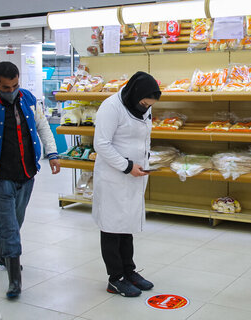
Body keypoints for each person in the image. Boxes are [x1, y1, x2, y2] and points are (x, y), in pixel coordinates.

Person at [0, 61, 60, 299]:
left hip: (27, 172)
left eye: (15, 86)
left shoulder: (29, 99)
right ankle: (14, 281)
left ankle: (3, 256)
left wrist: (52, 154)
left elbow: (42, 127)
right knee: (10, 227)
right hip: (0, 175)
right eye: (6, 88)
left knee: (16, 221)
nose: (11, 91)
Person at [93, 71, 161, 297]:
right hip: (114, 176)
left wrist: (144, 161)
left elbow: (144, 137)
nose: (145, 108)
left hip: (134, 175)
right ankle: (115, 278)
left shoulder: (143, 105)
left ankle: (129, 271)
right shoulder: (111, 107)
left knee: (127, 225)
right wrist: (126, 165)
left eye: (149, 105)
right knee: (112, 227)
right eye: (143, 103)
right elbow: (101, 144)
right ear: (134, 94)